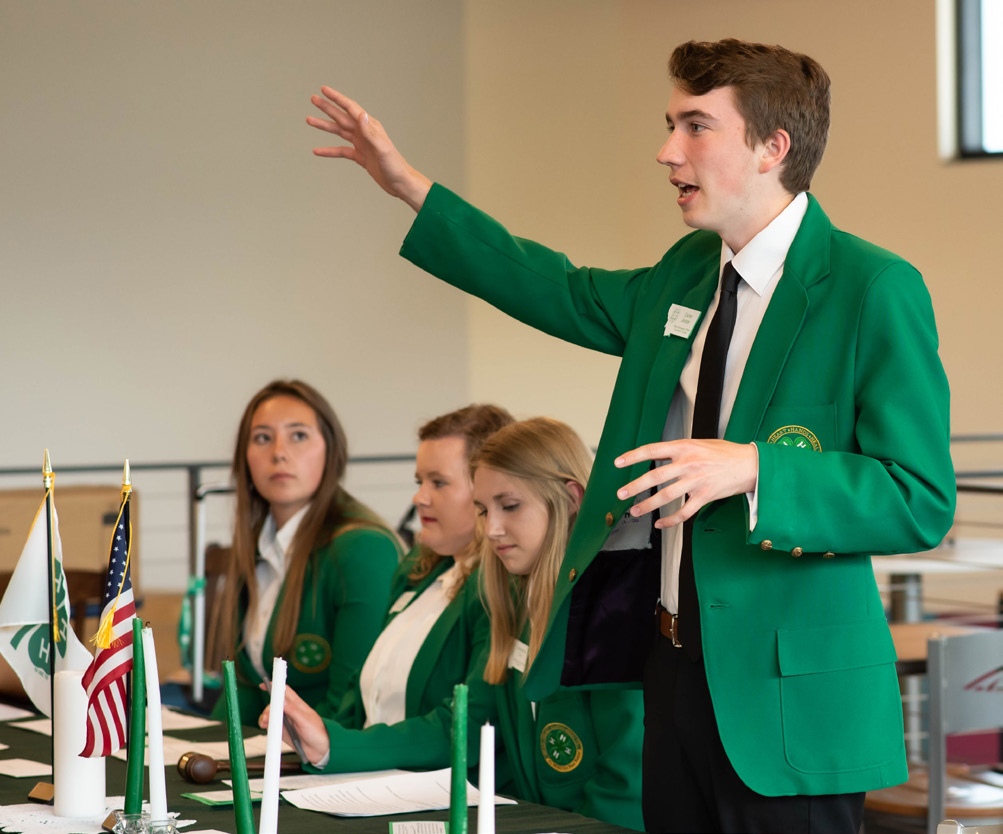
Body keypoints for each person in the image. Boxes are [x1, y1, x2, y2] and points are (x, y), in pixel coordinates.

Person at [305, 37, 955, 833]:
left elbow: (919, 499)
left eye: (694, 127)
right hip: (667, 671)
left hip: (788, 698)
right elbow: (560, 290)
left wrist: (753, 468)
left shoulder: (870, 288)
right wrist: (411, 190)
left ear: (770, 148)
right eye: (669, 126)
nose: (665, 151)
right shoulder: (687, 272)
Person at [261, 404, 514, 778]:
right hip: (366, 785)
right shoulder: (418, 570)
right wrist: (310, 727)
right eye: (419, 482)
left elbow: (466, 726)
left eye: (438, 482)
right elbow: (359, 695)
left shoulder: (496, 586)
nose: (419, 498)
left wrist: (336, 745)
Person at [474, 418, 644, 829]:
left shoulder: (614, 609)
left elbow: (626, 788)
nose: (491, 529)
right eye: (482, 510)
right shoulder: (519, 600)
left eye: (510, 506)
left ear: (571, 499)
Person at [213, 379, 402, 723]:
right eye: (262, 438)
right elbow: (244, 688)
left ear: (332, 449)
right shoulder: (257, 546)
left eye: (298, 435)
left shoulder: (363, 548)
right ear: (245, 457)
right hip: (267, 756)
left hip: (326, 764)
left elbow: (349, 709)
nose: (279, 452)